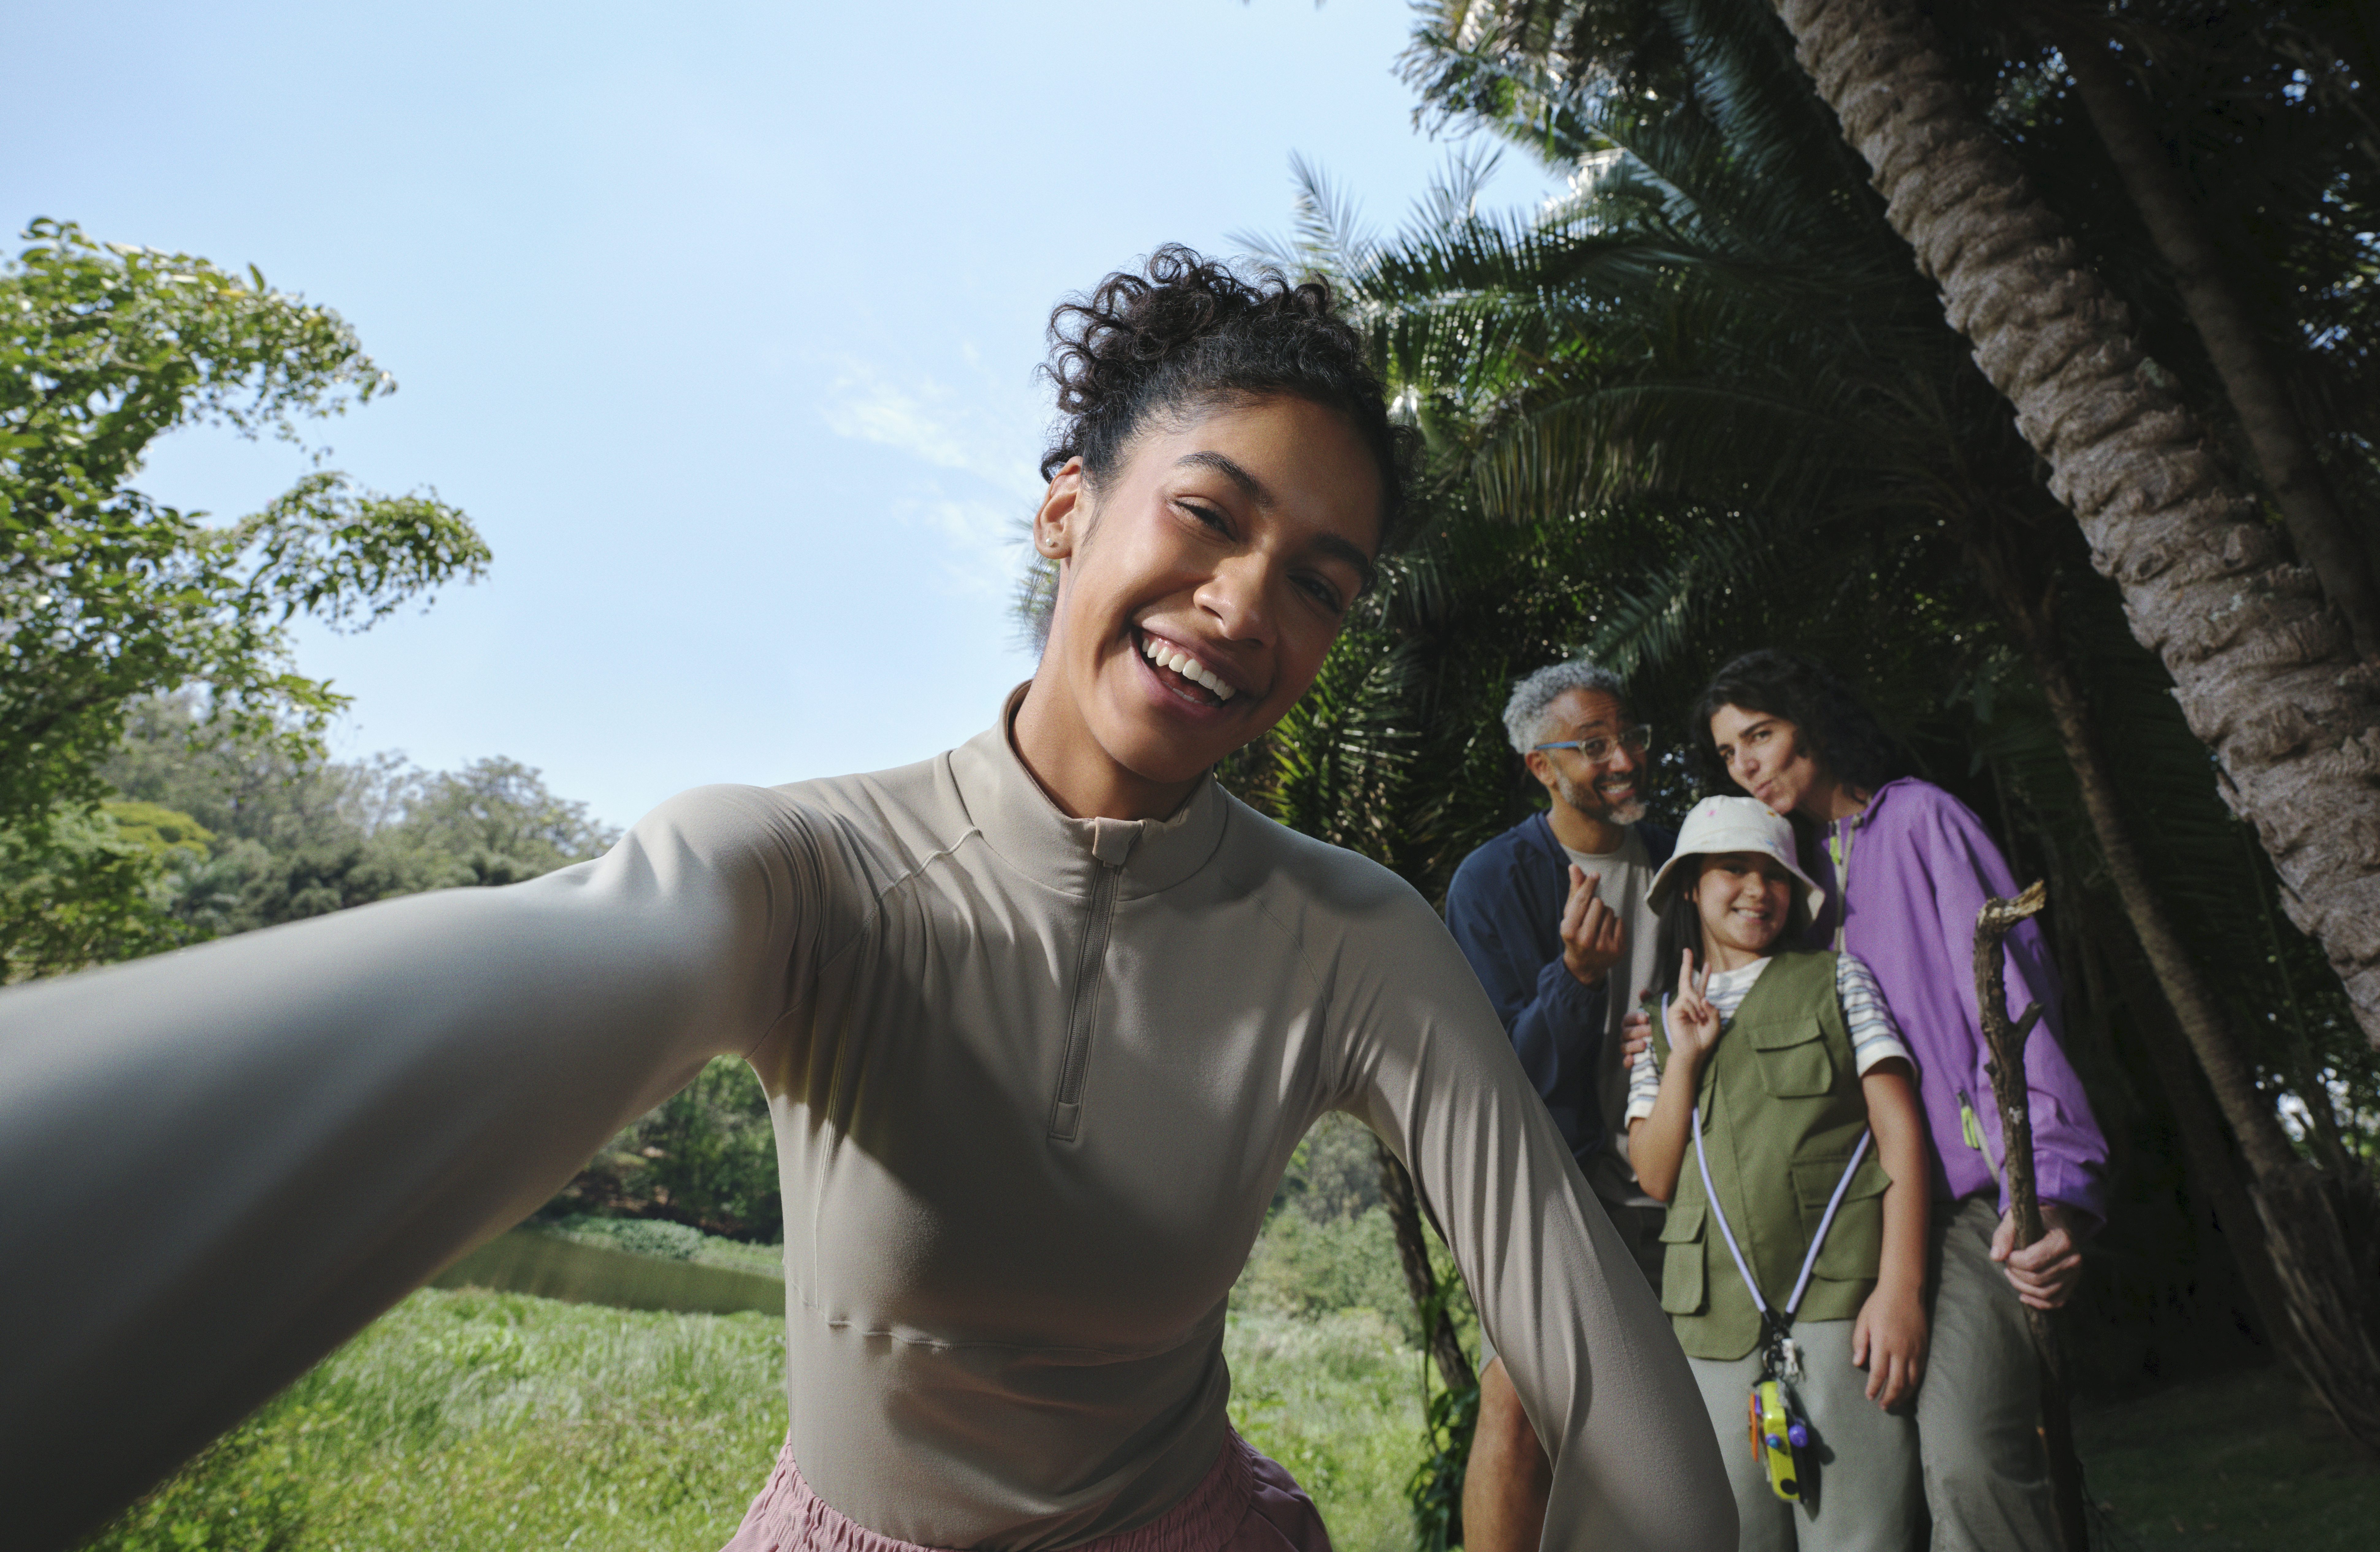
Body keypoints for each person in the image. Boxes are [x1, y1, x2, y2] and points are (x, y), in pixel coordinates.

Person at [0, 250, 1734, 1552]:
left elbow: (1601, 1366)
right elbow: (564, 968)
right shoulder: (809, 873)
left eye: (1318, 584)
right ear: (1068, 509)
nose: (1243, 604)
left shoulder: (1352, 939)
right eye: (1207, 515)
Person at [1652, 649, 2107, 1552]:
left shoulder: (1921, 820)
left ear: (1812, 722)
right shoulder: (1784, 887)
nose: (1746, 765)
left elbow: (2015, 1005)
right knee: (1870, 1498)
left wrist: (2050, 1194)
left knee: (1968, 1463)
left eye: (1761, 735)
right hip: (1847, 1234)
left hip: (1967, 1206)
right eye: (1729, 752)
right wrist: (1668, 1055)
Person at [1624, 796, 1929, 1552]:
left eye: (1776, 876)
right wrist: (1684, 1059)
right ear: (1690, 885)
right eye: (1734, 869)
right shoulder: (1657, 1026)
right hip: (1711, 1324)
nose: (1758, 890)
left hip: (1841, 1303)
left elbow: (1899, 1133)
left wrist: (1901, 1291)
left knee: (1864, 1536)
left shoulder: (1839, 979)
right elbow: (1654, 1176)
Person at [1443, 661, 1679, 1552]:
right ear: (1541, 767)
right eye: (1593, 745)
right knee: (1518, 1404)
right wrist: (1576, 979)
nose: (1624, 759)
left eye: (1630, 737)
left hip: (1688, 1182)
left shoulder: (1686, 858)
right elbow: (1506, 1076)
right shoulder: (1492, 882)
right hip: (1557, 1192)